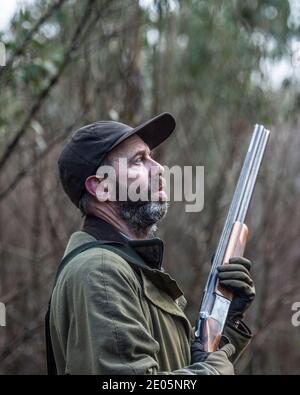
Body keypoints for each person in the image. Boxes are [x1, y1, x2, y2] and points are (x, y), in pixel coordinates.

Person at [47, 112, 255, 375]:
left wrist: (226, 323)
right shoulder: (101, 271)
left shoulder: (128, 267)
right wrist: (214, 372)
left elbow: (176, 369)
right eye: (138, 160)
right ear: (101, 187)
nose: (158, 168)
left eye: (150, 156)